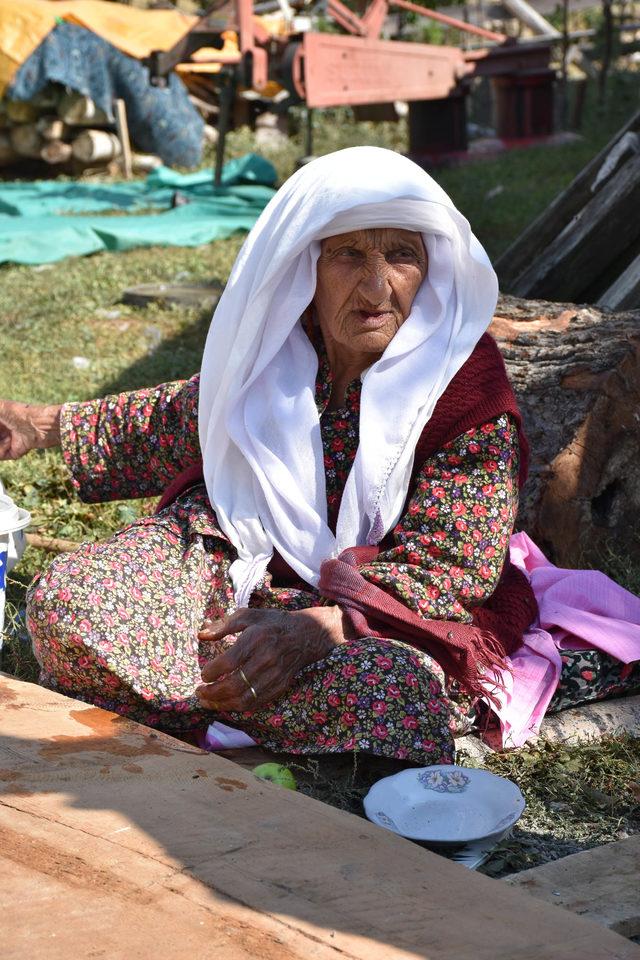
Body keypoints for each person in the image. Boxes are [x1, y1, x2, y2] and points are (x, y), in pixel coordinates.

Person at [2, 147, 638, 763]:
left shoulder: (467, 387)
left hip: (367, 613)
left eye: (401, 256)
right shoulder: (282, 341)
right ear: (306, 265)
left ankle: (187, 695)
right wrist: (39, 425)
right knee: (70, 602)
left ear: (432, 269)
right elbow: (182, 416)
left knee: (396, 691)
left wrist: (321, 630)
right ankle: (225, 699)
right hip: (239, 553)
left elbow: (452, 561)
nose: (375, 286)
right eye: (348, 255)